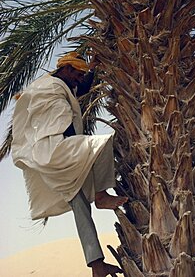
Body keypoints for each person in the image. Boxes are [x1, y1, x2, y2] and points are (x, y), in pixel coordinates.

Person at [11, 52, 128, 277]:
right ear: (66, 69)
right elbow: (58, 120)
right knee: (102, 143)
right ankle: (102, 196)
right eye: (77, 73)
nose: (79, 78)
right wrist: (75, 142)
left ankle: (97, 265)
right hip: (58, 149)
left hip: (53, 159)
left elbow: (80, 90)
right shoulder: (51, 87)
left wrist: (92, 68)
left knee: (80, 206)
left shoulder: (59, 86)